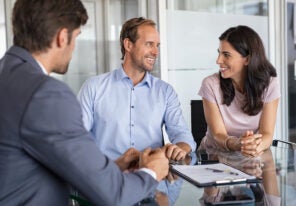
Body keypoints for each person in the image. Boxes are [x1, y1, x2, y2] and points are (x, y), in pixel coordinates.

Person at [0, 1, 169, 206]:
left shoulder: (7, 74)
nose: (74, 47)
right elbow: (114, 195)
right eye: (76, 37)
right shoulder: (46, 94)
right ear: (62, 37)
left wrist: (112, 168)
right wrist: (152, 172)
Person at [77, 17, 196, 162]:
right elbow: (78, 137)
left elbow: (182, 134)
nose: (155, 52)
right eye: (149, 44)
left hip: (151, 176)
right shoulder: (94, 87)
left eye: (157, 45)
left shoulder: (165, 91)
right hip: (108, 175)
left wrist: (181, 148)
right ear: (128, 45)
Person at [198, 25, 280, 157]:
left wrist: (255, 146)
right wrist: (239, 144)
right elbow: (218, 135)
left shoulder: (270, 85)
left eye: (226, 55)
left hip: (250, 158)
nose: (218, 60)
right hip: (213, 157)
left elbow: (267, 134)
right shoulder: (210, 84)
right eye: (219, 53)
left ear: (247, 59)